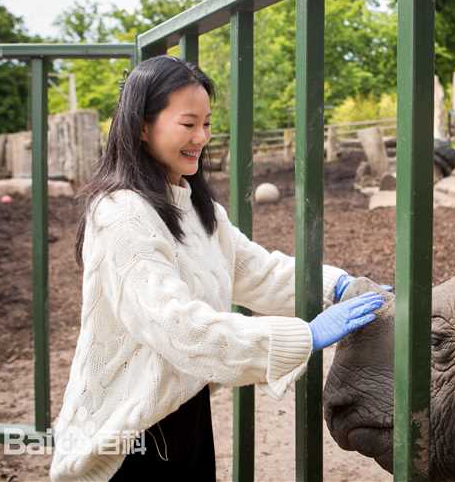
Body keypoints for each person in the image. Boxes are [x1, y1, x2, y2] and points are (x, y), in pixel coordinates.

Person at [48, 56, 387, 481]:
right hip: (128, 433)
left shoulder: (194, 207)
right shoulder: (122, 215)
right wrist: (306, 336)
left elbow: (256, 270)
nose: (202, 137)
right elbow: (180, 329)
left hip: (180, 411)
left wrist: (337, 285)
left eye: (207, 123)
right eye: (188, 124)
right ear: (141, 125)